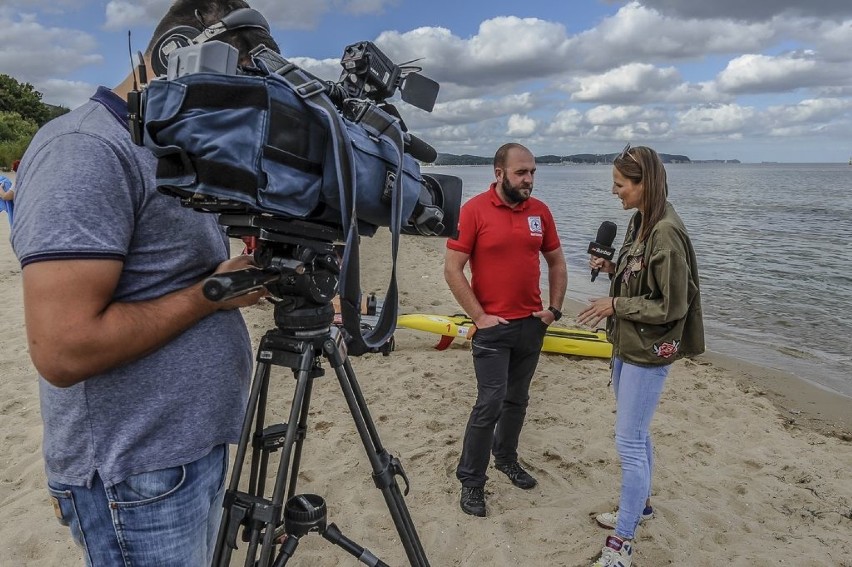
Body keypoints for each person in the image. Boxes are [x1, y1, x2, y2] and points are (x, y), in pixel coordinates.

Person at [9, 1, 279, 564]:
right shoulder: (85, 150)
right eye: (229, 84)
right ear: (176, 51)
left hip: (183, 452)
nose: (235, 108)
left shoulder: (171, 152)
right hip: (134, 473)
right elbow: (63, 348)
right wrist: (213, 295)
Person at [577, 144, 705, 567]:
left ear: (643, 183)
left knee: (629, 441)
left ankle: (623, 542)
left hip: (648, 352)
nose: (615, 192)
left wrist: (614, 305)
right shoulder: (640, 223)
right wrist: (615, 272)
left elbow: (671, 306)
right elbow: (643, 282)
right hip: (626, 344)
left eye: (619, 184)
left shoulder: (666, 231)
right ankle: (642, 507)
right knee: (637, 433)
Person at [444, 143, 568, 517]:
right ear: (499, 173)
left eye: (532, 171)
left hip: (531, 326)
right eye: (521, 172)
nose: (528, 179)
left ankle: (506, 459)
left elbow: (557, 262)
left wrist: (554, 310)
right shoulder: (474, 211)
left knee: (518, 400)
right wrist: (479, 317)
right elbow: (453, 269)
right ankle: (471, 480)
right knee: (490, 402)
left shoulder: (540, 212)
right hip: (493, 329)